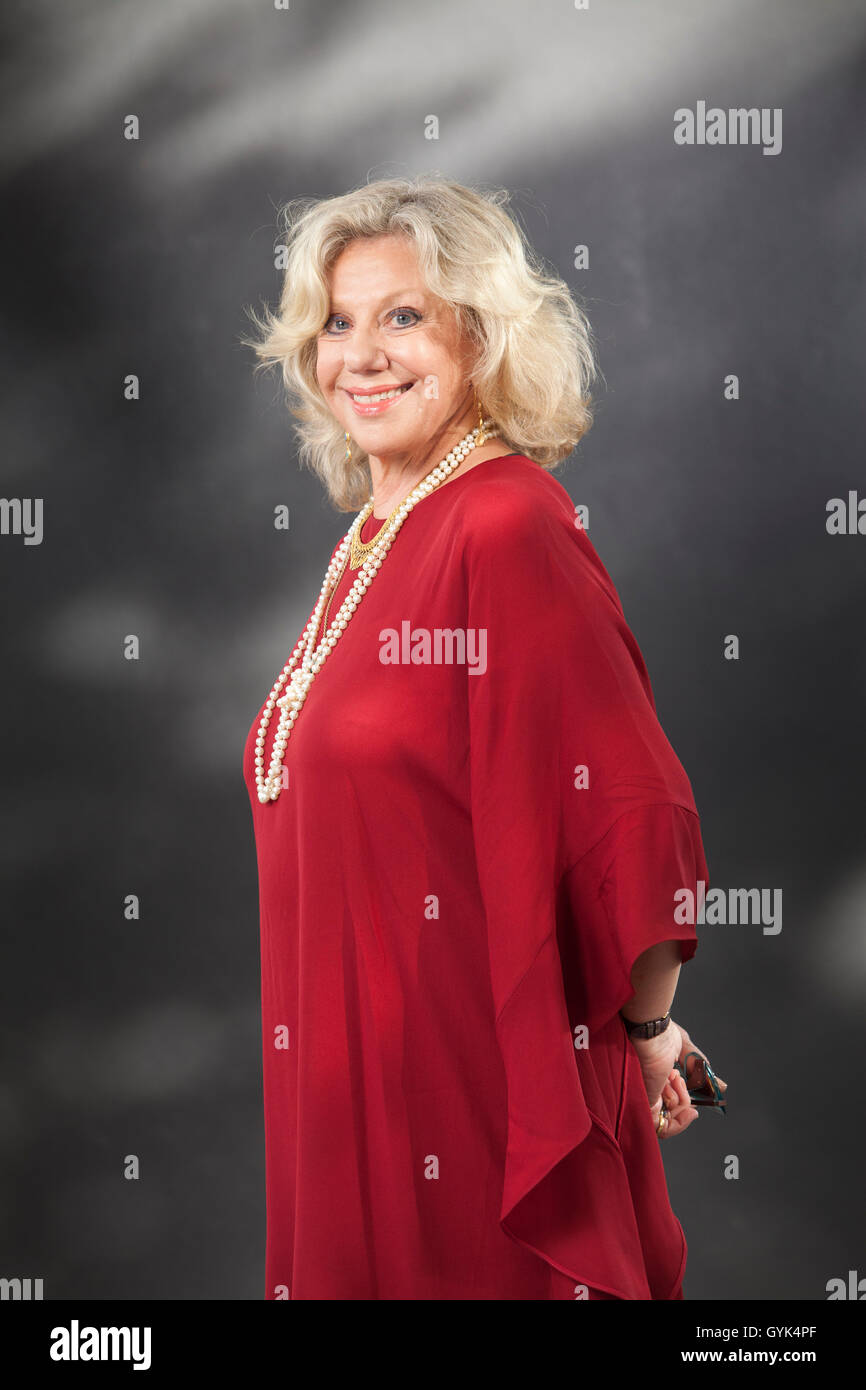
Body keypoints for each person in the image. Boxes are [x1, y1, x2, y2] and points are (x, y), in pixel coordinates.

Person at [241, 174, 724, 1300]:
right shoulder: (374, 535)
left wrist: (643, 1020)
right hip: (338, 1078)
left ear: (480, 335)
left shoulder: (503, 521)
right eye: (335, 323)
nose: (360, 354)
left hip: (459, 1089)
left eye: (402, 316)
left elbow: (628, 804)